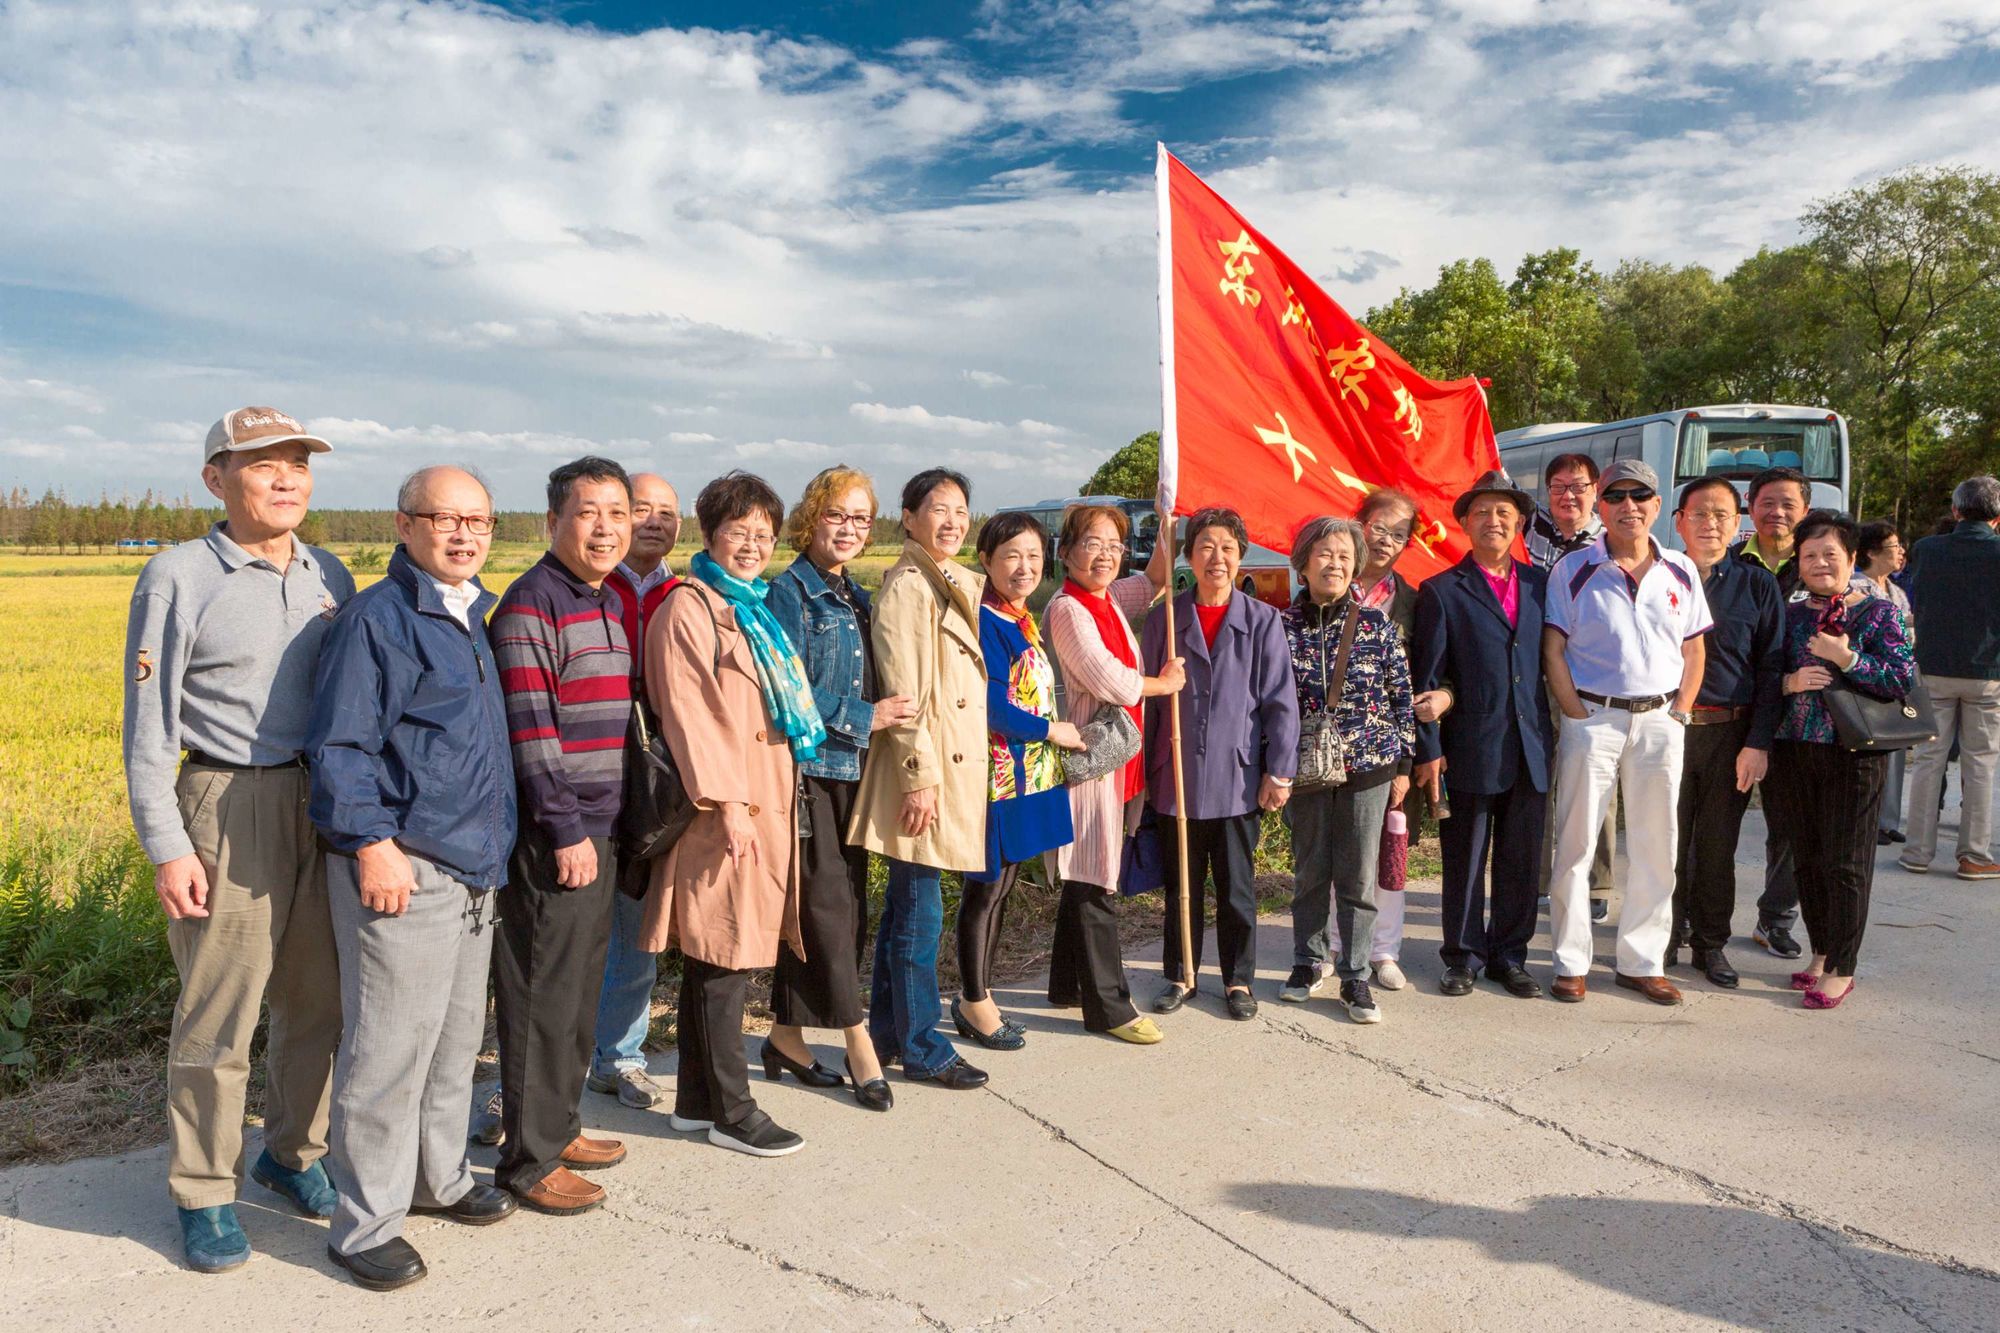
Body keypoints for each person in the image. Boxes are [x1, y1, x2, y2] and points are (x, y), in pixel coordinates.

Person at [121, 406, 353, 1273]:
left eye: (298, 462)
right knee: (220, 1012)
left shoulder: (329, 571)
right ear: (217, 478)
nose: (287, 477)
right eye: (264, 464)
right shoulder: (179, 575)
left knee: (318, 1001)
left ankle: (290, 1153)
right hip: (224, 800)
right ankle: (204, 1190)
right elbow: (147, 726)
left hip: (318, 803)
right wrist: (168, 844)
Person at [306, 466, 517, 1291]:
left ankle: (439, 1179)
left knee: (454, 1043)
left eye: (479, 520)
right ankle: (363, 1224)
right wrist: (369, 841)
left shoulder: (472, 614)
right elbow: (340, 745)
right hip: (406, 865)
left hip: (473, 864)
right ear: (404, 524)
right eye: (444, 518)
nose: (463, 534)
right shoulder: (378, 619)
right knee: (388, 1051)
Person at [641, 471, 819, 1155]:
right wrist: (731, 804)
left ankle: (695, 1099)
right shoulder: (689, 608)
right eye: (739, 530)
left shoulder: (750, 607)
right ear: (709, 532)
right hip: (722, 809)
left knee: (719, 955)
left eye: (763, 534)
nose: (752, 544)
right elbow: (690, 716)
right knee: (726, 953)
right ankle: (733, 1111)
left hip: (755, 804)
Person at [489, 457, 634, 1215]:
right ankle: (526, 1158)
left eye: (618, 511)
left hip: (599, 830)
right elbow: (532, 733)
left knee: (577, 994)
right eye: (588, 511)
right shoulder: (530, 606)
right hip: (558, 837)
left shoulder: (603, 600)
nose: (606, 526)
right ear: (553, 522)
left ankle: (560, 1123)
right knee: (541, 996)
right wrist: (566, 828)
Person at [765, 466, 913, 1111]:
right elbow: (784, 687)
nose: (849, 528)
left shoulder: (856, 595)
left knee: (841, 905)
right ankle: (857, 1042)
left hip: (856, 774)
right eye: (836, 515)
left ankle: (785, 1037)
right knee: (827, 909)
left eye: (860, 517)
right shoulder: (788, 595)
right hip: (811, 775)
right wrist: (867, 717)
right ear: (810, 519)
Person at [1542, 459, 1710, 1005]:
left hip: (1661, 720)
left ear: (1658, 507)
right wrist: (1575, 713)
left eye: (1641, 496)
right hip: (1595, 719)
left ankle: (1642, 960)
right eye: (1616, 496)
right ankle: (1571, 961)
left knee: (1657, 844)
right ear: (1601, 505)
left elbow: (1693, 647)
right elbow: (1554, 649)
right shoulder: (1573, 569)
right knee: (1575, 844)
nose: (1628, 506)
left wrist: (1680, 709)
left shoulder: (1681, 569)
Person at [850, 469, 992, 1090]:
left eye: (961, 510)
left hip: (944, 770)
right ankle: (922, 1044)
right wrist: (918, 778)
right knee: (918, 914)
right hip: (926, 773)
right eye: (939, 509)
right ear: (908, 518)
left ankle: (888, 1033)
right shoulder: (911, 586)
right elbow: (903, 691)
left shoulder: (944, 580)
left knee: (911, 906)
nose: (953, 522)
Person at [1142, 507, 1300, 1021]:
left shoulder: (1262, 620)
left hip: (1237, 780)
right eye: (1206, 546)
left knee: (1236, 889)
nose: (1218, 557)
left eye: (1228, 547)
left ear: (1240, 556)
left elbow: (1281, 702)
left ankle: (1238, 981)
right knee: (1180, 887)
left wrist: (1279, 771)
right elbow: (1144, 701)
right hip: (1177, 779)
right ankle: (1180, 973)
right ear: (1189, 554)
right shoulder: (1166, 618)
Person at [1766, 510, 1917, 1008]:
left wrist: (1846, 658)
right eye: (1809, 555)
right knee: (1806, 856)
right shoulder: (1790, 614)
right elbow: (1764, 675)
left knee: (1846, 862)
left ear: (1852, 559)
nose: (1819, 563)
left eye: (1831, 554)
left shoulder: (1878, 614)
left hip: (1855, 752)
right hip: (1794, 748)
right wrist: (1789, 683)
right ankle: (1821, 952)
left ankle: (1844, 967)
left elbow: (1899, 680)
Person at [1411, 472, 1553, 1000]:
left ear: (1517, 523)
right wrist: (1431, 753)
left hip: (1531, 744)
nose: (1493, 521)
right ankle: (1463, 956)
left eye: (1504, 513)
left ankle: (1510, 956)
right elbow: (1427, 682)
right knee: (1465, 858)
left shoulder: (1542, 586)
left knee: (1520, 859)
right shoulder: (1443, 592)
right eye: (1482, 513)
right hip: (1471, 745)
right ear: (1465, 524)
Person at [1042, 503, 1181, 1044]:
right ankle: (1110, 1008)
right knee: (1095, 879)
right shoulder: (1068, 610)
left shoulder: (1107, 597)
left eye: (1114, 545)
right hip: (1088, 767)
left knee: (1085, 873)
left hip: (1114, 765)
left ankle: (1066, 984)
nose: (1104, 555)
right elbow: (1114, 683)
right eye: (1092, 543)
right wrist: (1164, 683)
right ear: (1066, 551)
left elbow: (1152, 582)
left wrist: (1166, 519)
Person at [952, 512, 1087, 1048]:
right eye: (1011, 555)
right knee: (984, 889)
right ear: (985, 560)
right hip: (997, 779)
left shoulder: (1021, 618)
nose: (1025, 566)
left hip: (1024, 777)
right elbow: (991, 708)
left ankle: (980, 994)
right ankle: (973, 1000)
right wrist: (1051, 729)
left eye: (1033, 556)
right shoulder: (987, 622)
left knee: (1003, 886)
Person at [1279, 517, 1414, 1024]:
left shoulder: (1376, 623)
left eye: (1343, 556)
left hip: (1371, 767)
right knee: (1310, 868)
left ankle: (1356, 975)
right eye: (1324, 554)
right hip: (1305, 768)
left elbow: (1402, 696)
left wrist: (1403, 764)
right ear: (1304, 561)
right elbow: (1271, 700)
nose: (1333, 563)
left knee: (1357, 876)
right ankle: (1308, 961)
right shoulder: (1282, 626)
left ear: (1355, 565)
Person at [588, 472, 682, 1109]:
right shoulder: (590, 584)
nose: (652, 520)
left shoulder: (691, 592)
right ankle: (543, 1063)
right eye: (638, 508)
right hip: (590, 773)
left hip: (657, 784)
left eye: (666, 511)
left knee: (636, 926)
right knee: (571, 931)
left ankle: (619, 1056)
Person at [1667, 478, 1783, 990]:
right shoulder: (1659, 577)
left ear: (1738, 525)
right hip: (1666, 731)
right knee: (1664, 842)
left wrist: (1758, 742)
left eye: (1721, 515)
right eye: (1699, 514)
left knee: (1716, 845)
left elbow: (1771, 667)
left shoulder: (1757, 585)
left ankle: (1710, 943)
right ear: (1679, 521)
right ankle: (1661, 936)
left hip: (1729, 734)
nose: (1709, 524)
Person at [1343, 487, 1451, 993]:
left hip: (1389, 747)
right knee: (1329, 848)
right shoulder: (1326, 585)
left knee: (1388, 845)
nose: (1386, 540)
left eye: (1399, 534)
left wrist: (1415, 757)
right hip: (1325, 745)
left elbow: (1427, 677)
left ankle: (1383, 950)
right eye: (1379, 527)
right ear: (1358, 523)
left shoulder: (1413, 600)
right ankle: (1327, 948)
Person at [1528, 453, 1615, 924]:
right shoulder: (1528, 534)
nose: (1569, 496)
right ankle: (1540, 879)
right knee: (1540, 777)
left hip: (1588, 677)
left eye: (1578, 486)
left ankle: (1597, 882)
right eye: (1559, 486)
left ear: (1595, 490)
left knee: (1596, 780)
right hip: (1531, 672)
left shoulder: (1610, 542)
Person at [1901, 475, 2000, 880]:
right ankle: (1973, 855)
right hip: (1987, 670)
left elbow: (1918, 598)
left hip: (1934, 665)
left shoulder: (1926, 549)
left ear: (1956, 510)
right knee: (1980, 764)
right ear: (1997, 516)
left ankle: (1917, 852)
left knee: (1928, 760)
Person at [1735, 465, 1810, 958]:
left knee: (1791, 827)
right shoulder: (1729, 563)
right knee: (1714, 820)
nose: (1776, 512)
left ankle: (1775, 919)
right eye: (1767, 502)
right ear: (1750, 506)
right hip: (1737, 713)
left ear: (1804, 510)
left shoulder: (1820, 564)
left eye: (1787, 504)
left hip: (1802, 720)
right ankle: (1695, 913)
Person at [1852, 520, 1912, 847]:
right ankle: (1870, 821)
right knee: (1870, 755)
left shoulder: (1897, 591)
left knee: (1897, 750)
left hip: (1897, 680)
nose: (1901, 552)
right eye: (1893, 546)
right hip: (1868, 680)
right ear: (1872, 552)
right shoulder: (1855, 587)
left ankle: (1888, 821)